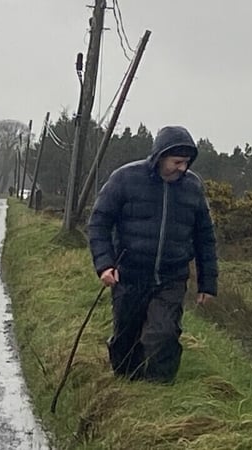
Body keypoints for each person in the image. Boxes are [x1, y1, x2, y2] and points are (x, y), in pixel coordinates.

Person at [88, 125, 218, 384]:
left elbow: (205, 237)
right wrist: (104, 265)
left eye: (187, 162)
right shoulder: (124, 178)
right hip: (130, 275)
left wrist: (208, 283)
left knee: (163, 334)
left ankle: (159, 388)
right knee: (126, 337)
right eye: (177, 161)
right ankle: (126, 385)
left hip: (171, 277)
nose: (182, 168)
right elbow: (99, 222)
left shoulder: (193, 187)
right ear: (160, 156)